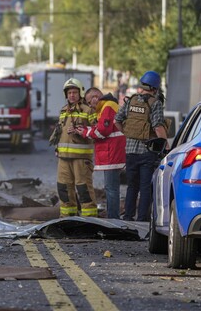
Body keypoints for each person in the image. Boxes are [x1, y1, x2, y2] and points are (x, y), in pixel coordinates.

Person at [115, 71, 169, 222]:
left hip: (130, 152)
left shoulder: (131, 101)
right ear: (155, 88)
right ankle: (142, 219)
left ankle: (128, 216)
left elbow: (117, 120)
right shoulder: (155, 103)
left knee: (132, 186)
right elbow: (158, 126)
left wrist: (128, 133)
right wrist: (166, 145)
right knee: (145, 187)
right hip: (147, 151)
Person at [50, 78, 96, 218]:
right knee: (63, 188)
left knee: (84, 189)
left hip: (81, 159)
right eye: (69, 92)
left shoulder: (88, 110)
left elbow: (96, 131)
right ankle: (67, 219)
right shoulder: (63, 111)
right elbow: (60, 131)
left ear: (80, 93)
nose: (71, 95)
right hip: (63, 158)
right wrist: (57, 148)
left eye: (74, 92)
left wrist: (81, 130)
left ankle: (90, 220)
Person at [77, 87, 125, 219]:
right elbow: (101, 128)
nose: (89, 105)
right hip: (112, 153)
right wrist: (87, 129)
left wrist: (86, 132)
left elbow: (103, 130)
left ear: (95, 97)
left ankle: (113, 219)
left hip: (111, 153)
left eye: (89, 102)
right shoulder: (107, 106)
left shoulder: (108, 106)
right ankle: (113, 216)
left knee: (111, 189)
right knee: (111, 188)